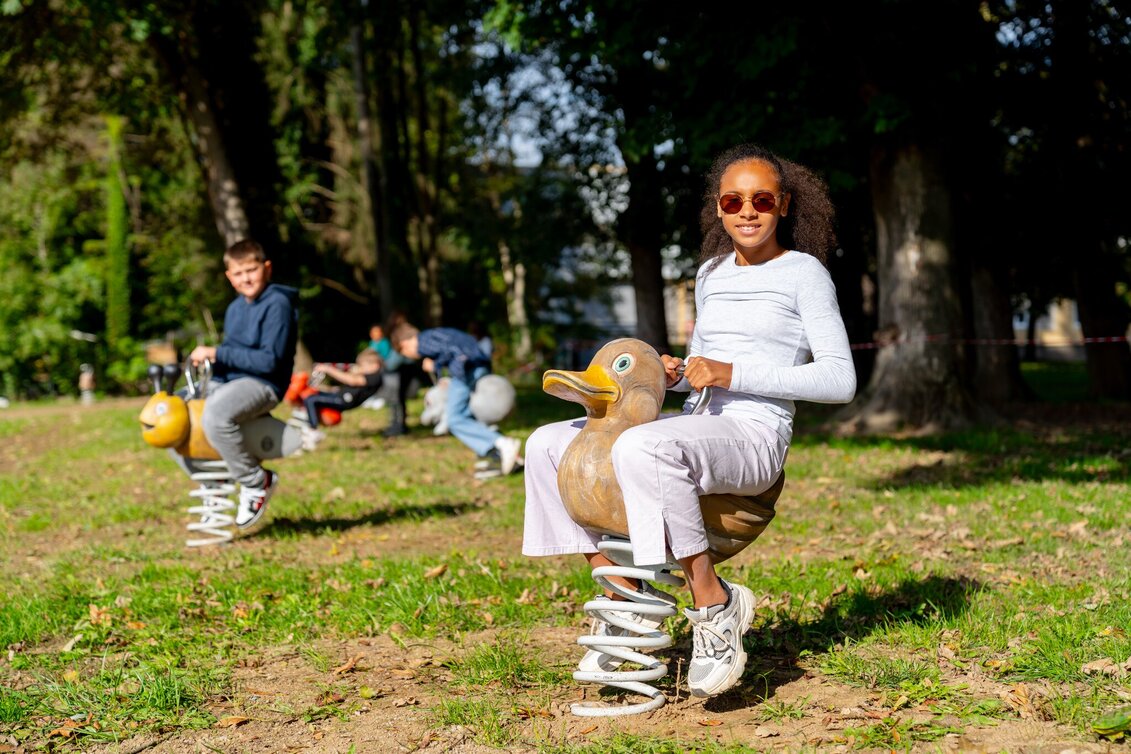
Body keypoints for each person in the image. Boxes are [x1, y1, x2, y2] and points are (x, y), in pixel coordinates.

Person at [521, 143, 857, 698]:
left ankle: (714, 604)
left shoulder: (805, 274)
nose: (747, 211)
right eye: (733, 200)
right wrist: (678, 372)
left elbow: (839, 381)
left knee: (644, 448)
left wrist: (732, 371)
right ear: (719, 209)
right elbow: (703, 365)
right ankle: (623, 594)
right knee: (546, 444)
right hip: (695, 422)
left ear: (785, 205)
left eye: (761, 200)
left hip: (754, 433)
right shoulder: (710, 272)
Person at [188, 238, 298, 530]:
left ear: (267, 268)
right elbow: (233, 355)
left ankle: (256, 481)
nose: (246, 278)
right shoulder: (236, 308)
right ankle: (212, 483)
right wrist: (212, 363)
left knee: (215, 415)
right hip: (231, 381)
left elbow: (268, 361)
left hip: (263, 384)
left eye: (251, 270)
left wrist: (217, 352)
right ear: (229, 277)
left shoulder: (278, 304)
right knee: (174, 416)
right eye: (238, 273)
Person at [389, 323, 523, 474]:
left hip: (465, 372)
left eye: (404, 352)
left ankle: (502, 444)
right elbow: (455, 347)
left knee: (454, 419)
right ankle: (499, 456)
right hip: (478, 366)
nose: (410, 356)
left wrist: (436, 365)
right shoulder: (436, 333)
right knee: (469, 414)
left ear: (404, 344)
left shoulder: (423, 341)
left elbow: (452, 351)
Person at [300, 349, 384, 446]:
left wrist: (328, 369)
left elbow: (352, 381)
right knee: (310, 394)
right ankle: (304, 420)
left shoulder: (375, 377)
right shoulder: (368, 375)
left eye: (363, 365)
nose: (361, 368)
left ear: (375, 365)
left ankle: (313, 430)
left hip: (344, 401)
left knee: (311, 400)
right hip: (340, 395)